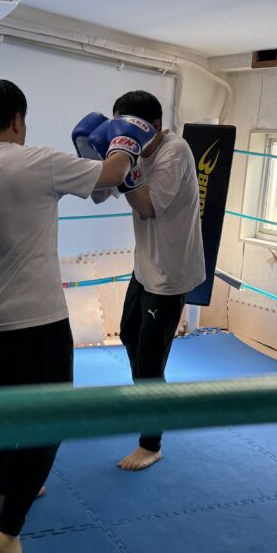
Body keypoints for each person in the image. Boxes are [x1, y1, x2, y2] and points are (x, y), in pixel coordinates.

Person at [0, 78, 158, 553]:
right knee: (55, 418)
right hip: (40, 321)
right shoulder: (38, 162)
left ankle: (5, 491)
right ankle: (9, 529)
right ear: (17, 120)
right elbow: (111, 175)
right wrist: (124, 138)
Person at [93, 90, 205, 471]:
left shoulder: (176, 151)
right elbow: (100, 195)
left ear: (154, 126)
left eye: (131, 130)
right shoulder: (136, 148)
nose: (127, 137)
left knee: (150, 360)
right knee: (128, 334)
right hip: (145, 268)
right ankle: (148, 399)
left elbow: (146, 207)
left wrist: (125, 163)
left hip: (170, 275)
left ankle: (150, 443)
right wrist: (97, 158)